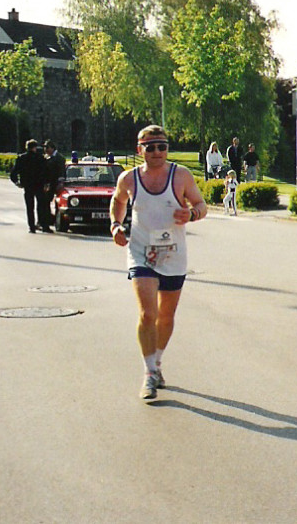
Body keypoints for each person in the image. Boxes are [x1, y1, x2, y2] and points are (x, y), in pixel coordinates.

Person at [109, 125, 207, 400]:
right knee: (147, 314)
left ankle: (158, 360)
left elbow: (201, 205)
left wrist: (192, 214)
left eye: (161, 146)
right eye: (149, 147)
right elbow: (117, 201)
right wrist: (116, 225)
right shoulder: (129, 179)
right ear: (139, 150)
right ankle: (149, 373)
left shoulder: (181, 176)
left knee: (166, 316)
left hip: (173, 255)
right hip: (141, 253)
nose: (156, 152)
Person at [9, 139, 48, 233]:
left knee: (30, 207)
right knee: (41, 206)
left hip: (28, 185)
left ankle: (32, 227)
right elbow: (46, 172)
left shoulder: (21, 158)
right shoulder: (40, 158)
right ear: (34, 147)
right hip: (39, 185)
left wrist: (17, 182)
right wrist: (46, 183)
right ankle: (43, 225)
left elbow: (13, 172)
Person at [42, 140, 67, 233]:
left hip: (55, 184)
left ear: (52, 148)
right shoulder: (48, 157)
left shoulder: (59, 158)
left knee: (53, 203)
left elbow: (61, 172)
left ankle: (49, 221)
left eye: (47, 147)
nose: (45, 150)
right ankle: (46, 221)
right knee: (46, 203)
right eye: (44, 147)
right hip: (49, 184)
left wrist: (60, 183)